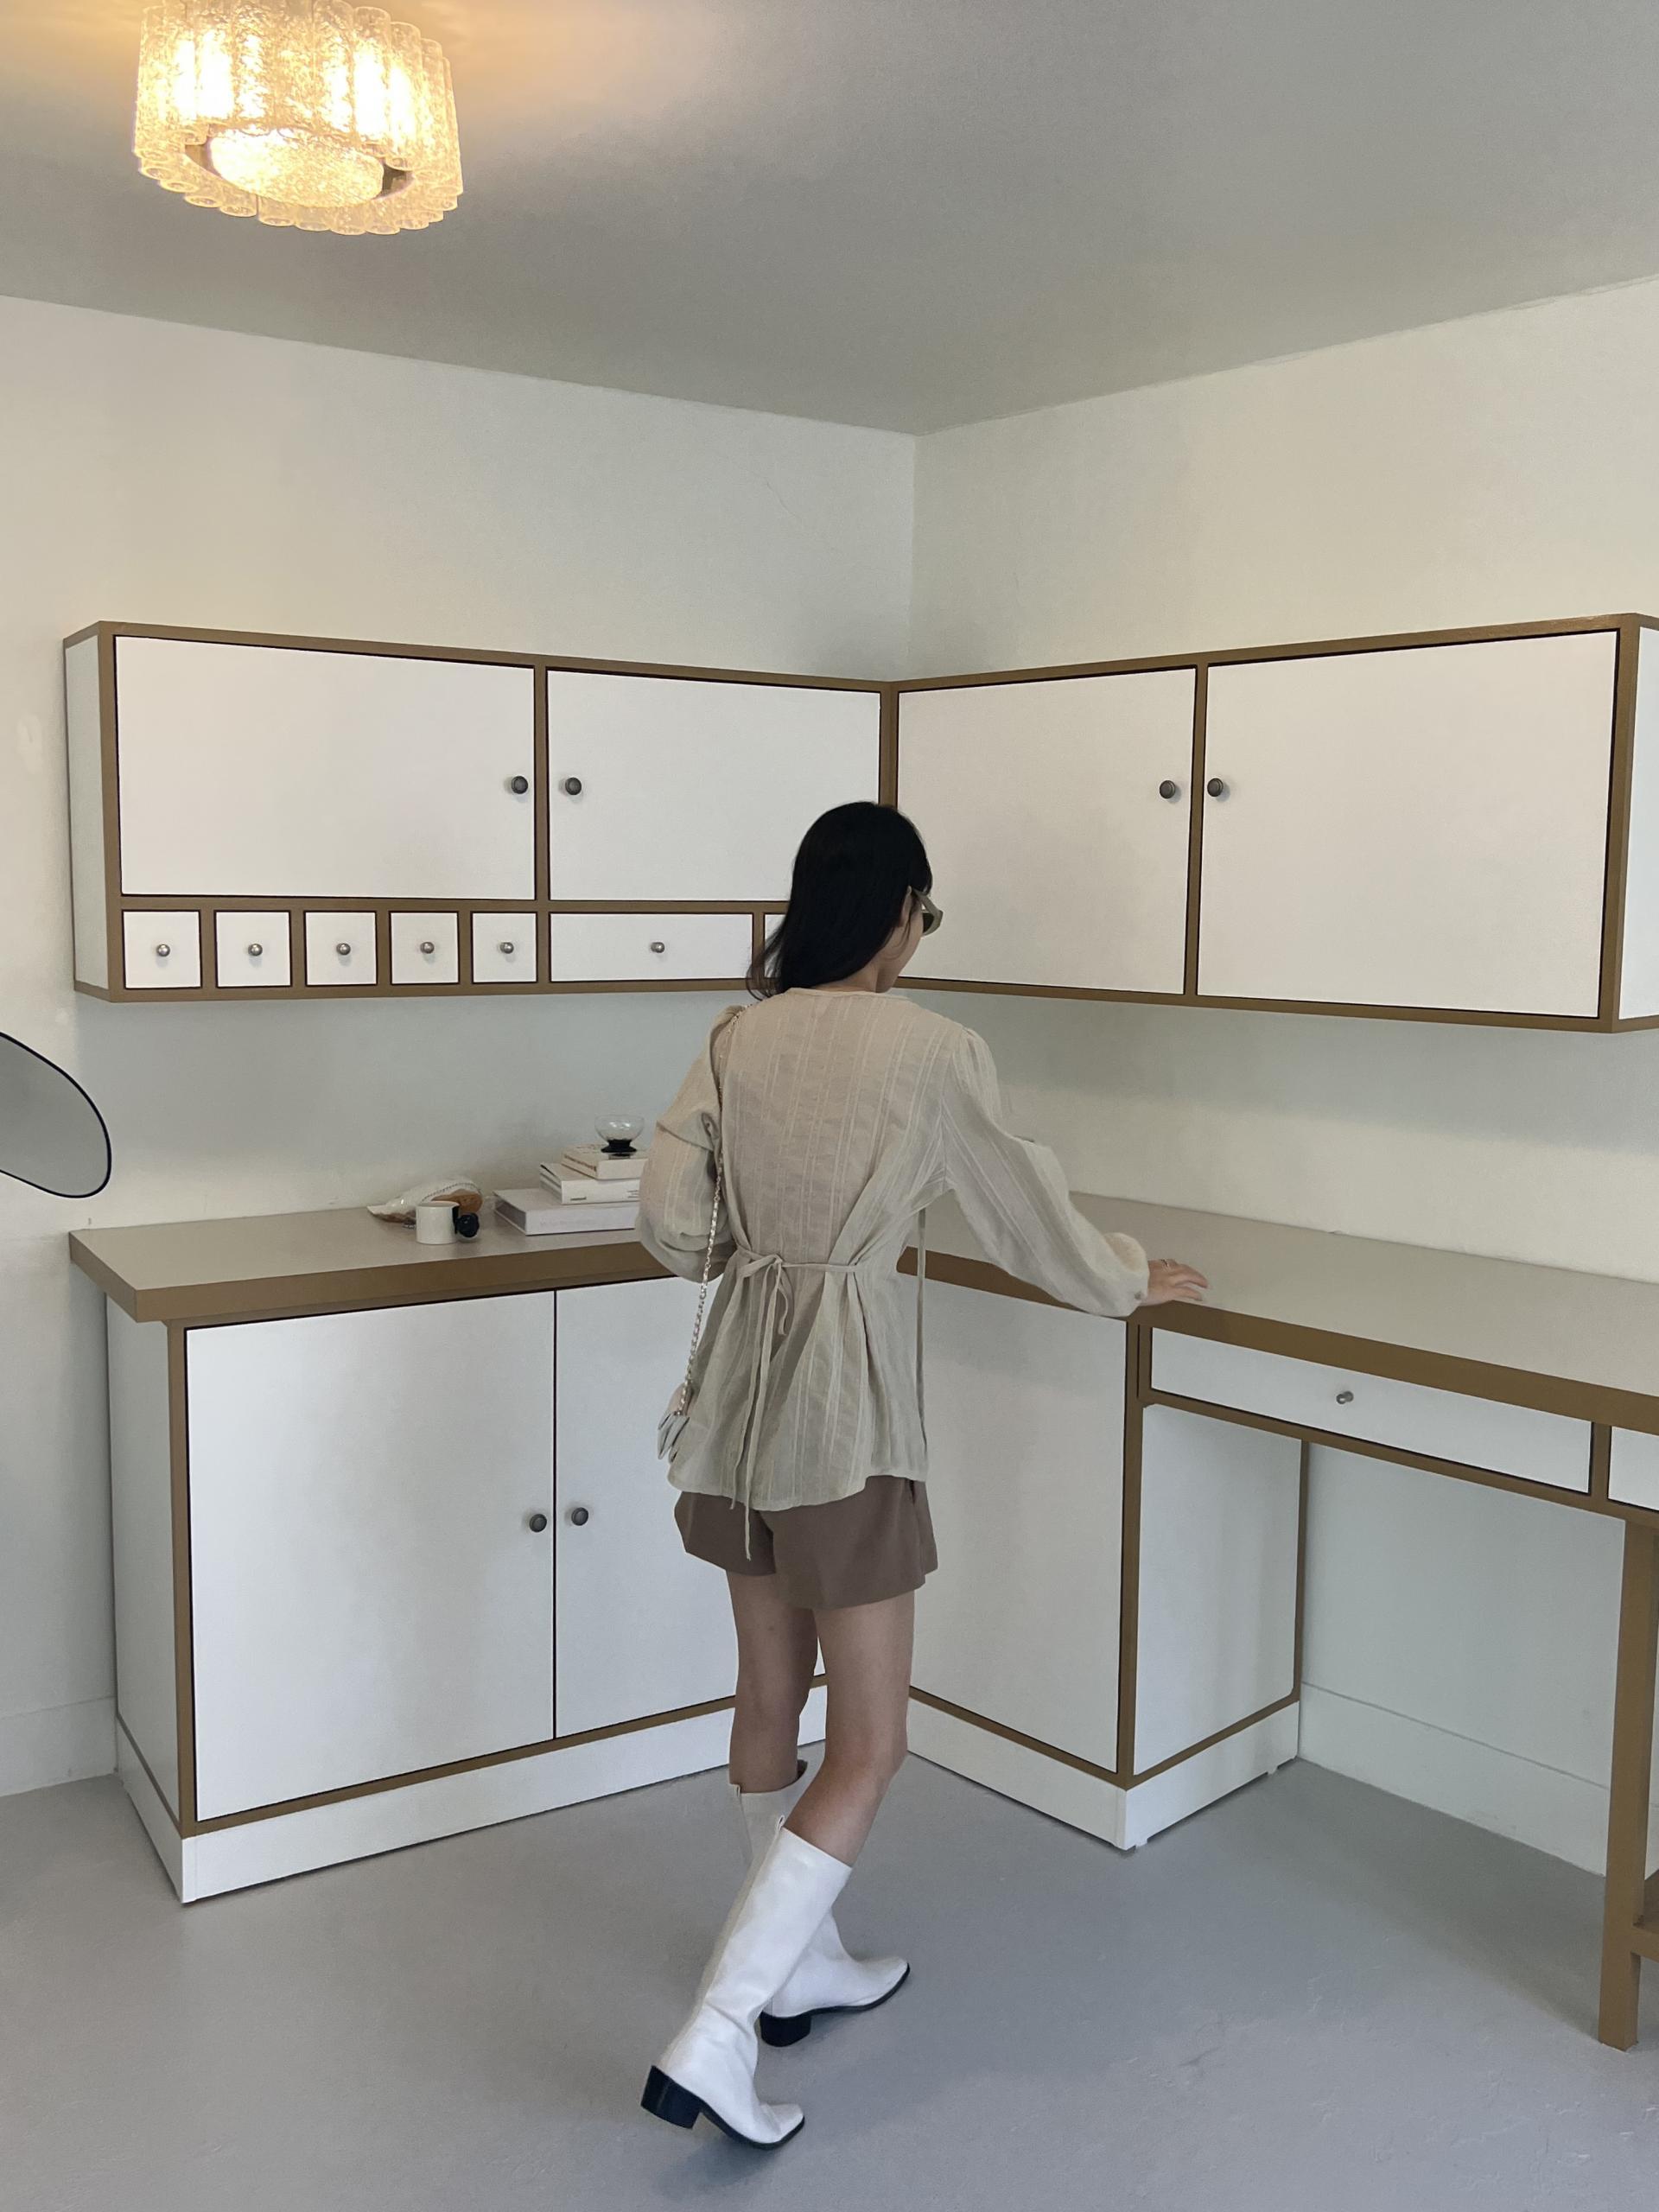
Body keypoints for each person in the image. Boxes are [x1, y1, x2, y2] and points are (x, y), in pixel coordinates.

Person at [636, 801, 1206, 2147]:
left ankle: (801, 1968)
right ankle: (719, 2030)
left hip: (735, 1406)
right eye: (923, 914)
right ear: (899, 913)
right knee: (875, 1739)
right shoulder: (935, 1051)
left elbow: (668, 1222)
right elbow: (1026, 1217)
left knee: (768, 1693)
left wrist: (761, 1253)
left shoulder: (735, 1036)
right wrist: (1129, 1277)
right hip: (843, 1421)